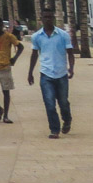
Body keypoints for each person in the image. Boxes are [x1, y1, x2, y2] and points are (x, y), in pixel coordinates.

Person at [27, 8, 75, 139]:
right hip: (46, 74)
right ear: (41, 19)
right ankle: (54, 129)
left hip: (61, 74)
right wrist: (30, 72)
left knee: (63, 102)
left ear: (53, 18)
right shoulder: (37, 36)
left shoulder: (63, 35)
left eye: (50, 17)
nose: (48, 19)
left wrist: (71, 68)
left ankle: (67, 119)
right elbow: (34, 54)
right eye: (45, 17)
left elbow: (70, 53)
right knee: (49, 103)